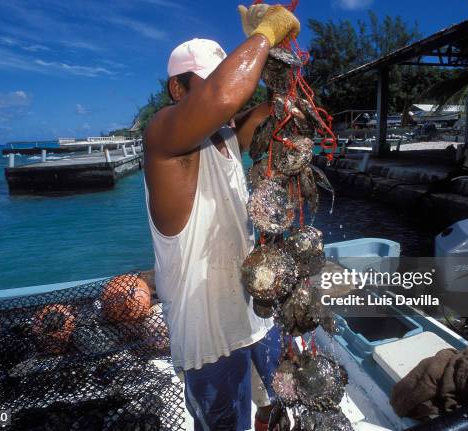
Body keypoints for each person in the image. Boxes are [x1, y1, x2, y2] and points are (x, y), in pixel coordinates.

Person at [143, 4, 300, 430]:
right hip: (209, 334)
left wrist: (277, 54)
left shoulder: (228, 135)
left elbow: (274, 104)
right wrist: (266, 32)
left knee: (276, 406)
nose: (230, 91)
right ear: (178, 89)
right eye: (209, 78)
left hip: (257, 312)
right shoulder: (162, 135)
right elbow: (226, 94)